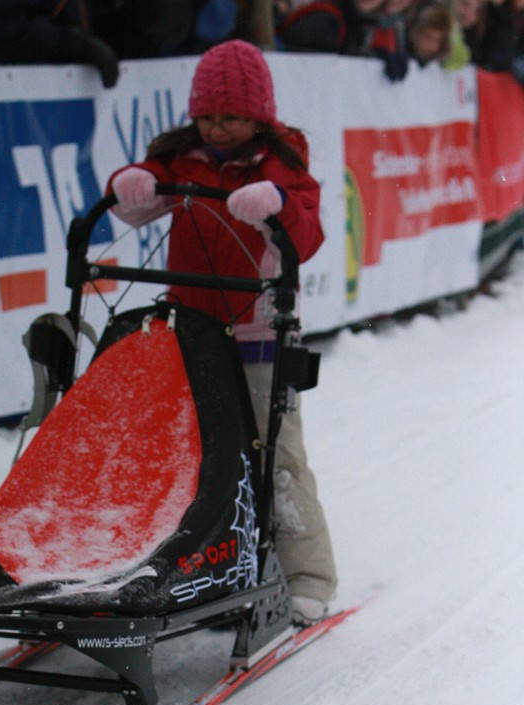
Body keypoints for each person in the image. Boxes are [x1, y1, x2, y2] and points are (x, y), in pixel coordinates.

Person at [106, 39, 337, 625]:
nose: (218, 128)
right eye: (208, 116)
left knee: (277, 455)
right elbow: (139, 196)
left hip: (260, 331)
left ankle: (309, 574)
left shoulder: (280, 158)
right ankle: (191, 562)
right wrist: (133, 183)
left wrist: (276, 203)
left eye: (231, 117)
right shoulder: (184, 157)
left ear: (257, 115)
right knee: (189, 455)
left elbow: (306, 234)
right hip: (192, 331)